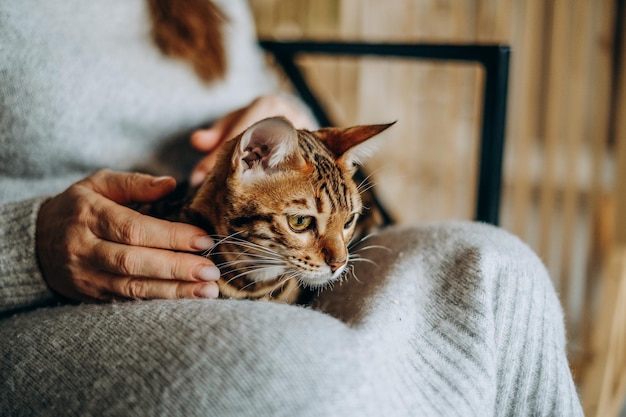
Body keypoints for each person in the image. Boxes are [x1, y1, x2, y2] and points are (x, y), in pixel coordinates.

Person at [0, 1, 583, 416]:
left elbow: (278, 122)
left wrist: (290, 115)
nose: (340, 259)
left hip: (266, 219)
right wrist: (25, 245)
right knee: (295, 363)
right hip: (57, 289)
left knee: (496, 269)